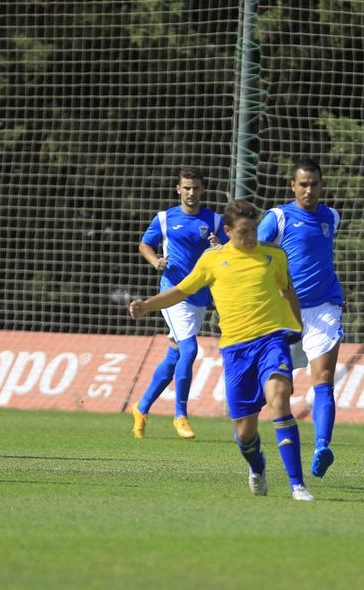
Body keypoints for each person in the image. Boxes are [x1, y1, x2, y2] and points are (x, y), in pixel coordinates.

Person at [129, 200, 314, 501]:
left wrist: (297, 329)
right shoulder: (213, 260)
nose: (251, 237)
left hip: (272, 341)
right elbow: (181, 291)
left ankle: (298, 485)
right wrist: (147, 306)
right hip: (236, 351)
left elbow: (287, 290)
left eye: (254, 230)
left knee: (279, 401)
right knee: (244, 433)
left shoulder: (273, 255)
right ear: (227, 231)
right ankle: (257, 467)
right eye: (244, 232)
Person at [257, 158, 344, 479]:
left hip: (324, 309)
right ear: (292, 186)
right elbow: (252, 251)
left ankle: (322, 446)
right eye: (303, 184)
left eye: (314, 184)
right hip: (284, 311)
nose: (309, 190)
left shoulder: (331, 217)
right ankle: (253, 436)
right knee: (279, 389)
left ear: (321, 186)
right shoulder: (277, 218)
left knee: (323, 380)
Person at [129, 168, 226, 441]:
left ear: (202, 190)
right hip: (172, 294)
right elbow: (145, 245)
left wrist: (220, 245)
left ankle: (141, 407)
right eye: (186, 188)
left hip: (199, 297)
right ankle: (180, 415)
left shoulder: (215, 220)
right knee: (190, 348)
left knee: (174, 356)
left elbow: (231, 252)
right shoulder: (164, 218)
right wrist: (155, 261)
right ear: (178, 189)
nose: (191, 192)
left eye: (195, 188)